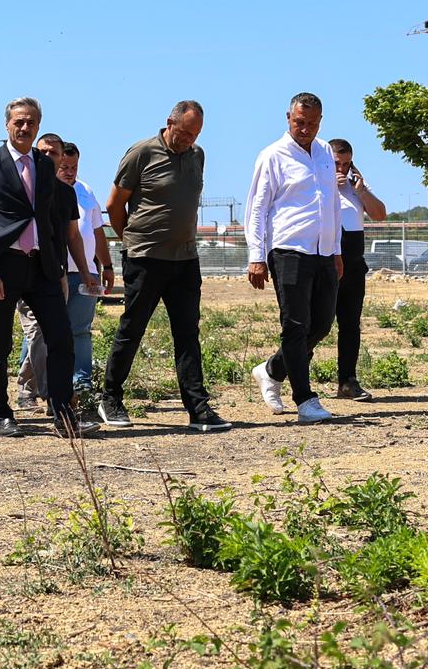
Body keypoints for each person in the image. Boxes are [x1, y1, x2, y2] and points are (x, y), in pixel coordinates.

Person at [0, 98, 97, 438]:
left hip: (41, 268)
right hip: (2, 266)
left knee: (61, 338)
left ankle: (62, 413)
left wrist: (60, 262)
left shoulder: (44, 164)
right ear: (7, 125)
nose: (24, 128)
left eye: (30, 123)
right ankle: (0, 413)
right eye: (18, 122)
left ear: (38, 125)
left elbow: (52, 219)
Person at [97, 102, 228, 432]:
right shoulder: (142, 153)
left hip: (185, 260)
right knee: (133, 328)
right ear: (169, 123)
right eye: (184, 132)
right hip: (145, 258)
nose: (188, 140)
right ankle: (110, 397)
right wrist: (132, 239)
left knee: (187, 334)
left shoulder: (198, 155)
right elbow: (114, 204)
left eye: (195, 134)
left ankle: (198, 408)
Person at [244, 93, 343, 425]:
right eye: (300, 122)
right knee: (295, 325)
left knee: (322, 323)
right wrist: (256, 257)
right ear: (289, 117)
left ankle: (271, 370)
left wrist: (337, 249)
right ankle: (305, 400)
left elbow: (332, 205)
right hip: (288, 249)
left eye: (312, 123)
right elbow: (256, 210)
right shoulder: (272, 155)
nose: (305, 129)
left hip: (324, 251)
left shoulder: (326, 152)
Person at [14, 133, 69, 410]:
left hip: (52, 272)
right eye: (43, 153)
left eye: (54, 153)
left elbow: (69, 237)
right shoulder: (25, 186)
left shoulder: (67, 192)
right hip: (21, 269)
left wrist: (83, 269)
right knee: (36, 333)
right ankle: (38, 389)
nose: (48, 158)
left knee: (57, 336)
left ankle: (47, 392)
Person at [55, 142, 114, 395]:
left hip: (84, 273)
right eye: (64, 167)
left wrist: (107, 266)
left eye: (74, 167)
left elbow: (97, 233)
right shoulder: (45, 191)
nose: (70, 172)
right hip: (54, 272)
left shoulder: (86, 191)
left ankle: (82, 381)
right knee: (45, 331)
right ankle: (39, 385)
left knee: (80, 330)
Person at [328, 138, 385, 402]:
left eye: (346, 163)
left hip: (353, 260)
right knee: (317, 324)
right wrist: (330, 187)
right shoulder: (317, 183)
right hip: (326, 259)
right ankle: (294, 379)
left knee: (350, 324)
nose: (341, 169)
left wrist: (361, 191)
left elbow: (380, 214)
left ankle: (347, 381)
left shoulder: (355, 186)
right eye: (337, 163)